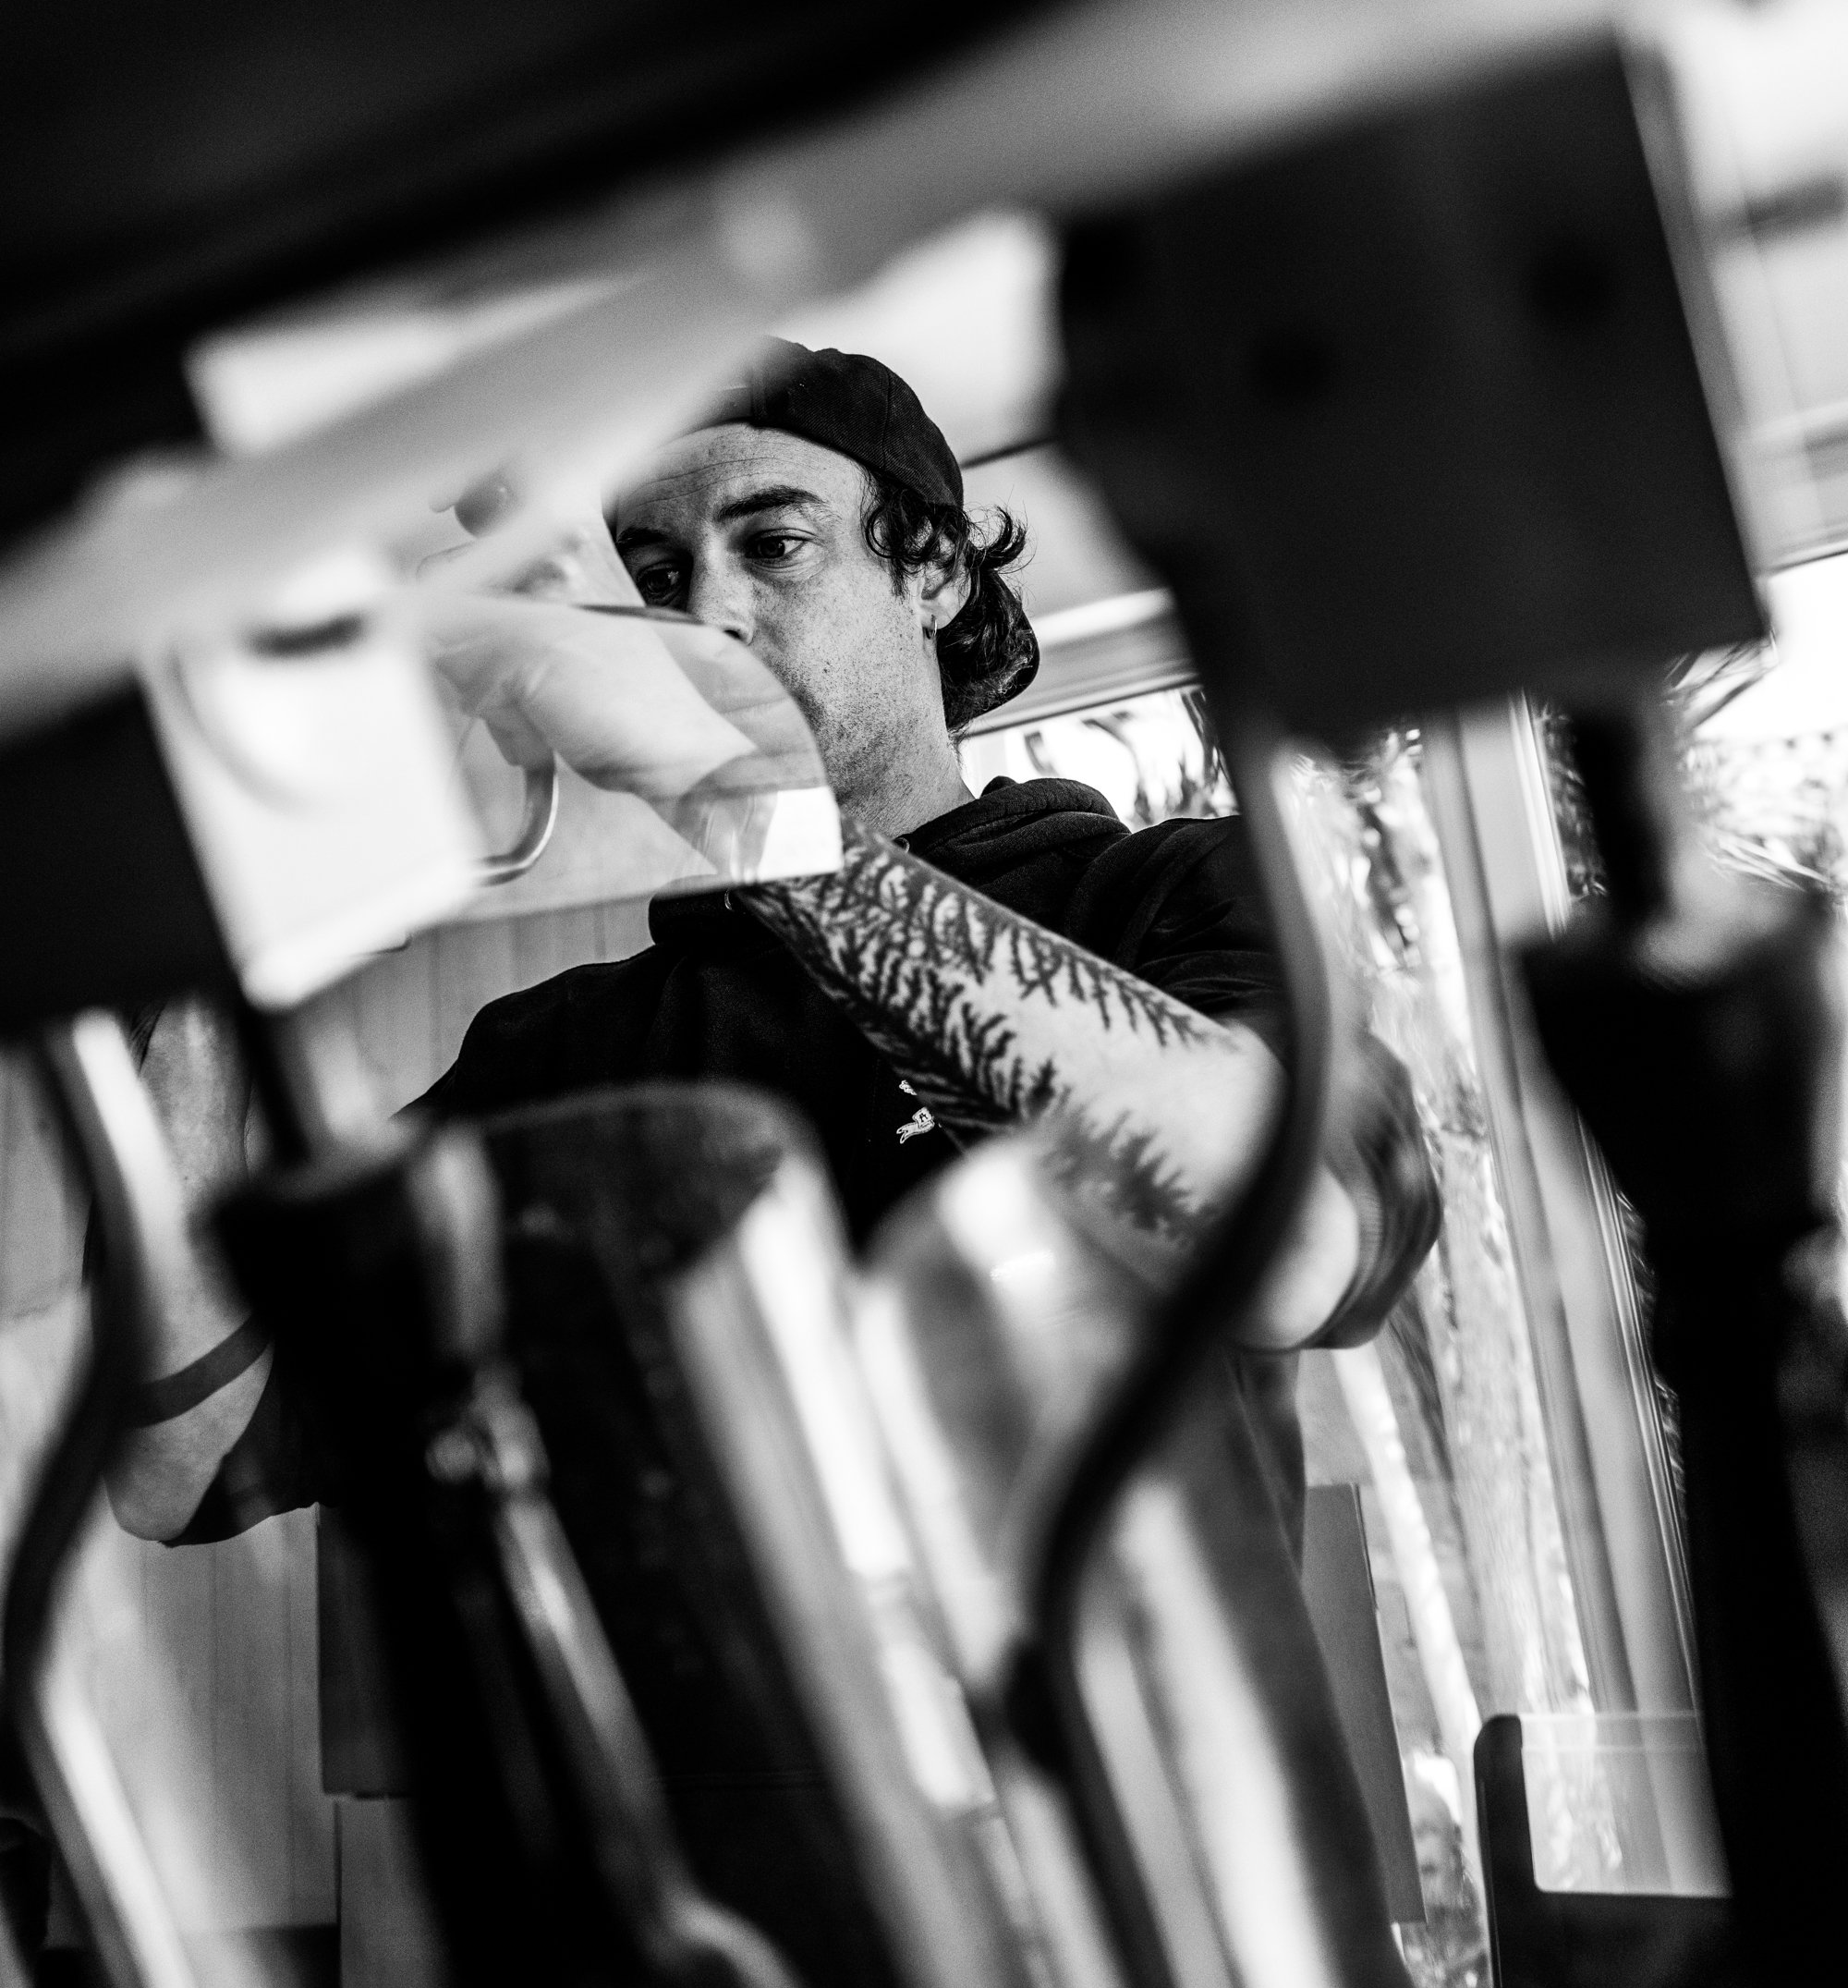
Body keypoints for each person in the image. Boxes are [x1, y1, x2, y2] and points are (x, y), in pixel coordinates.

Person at [112, 338, 1439, 1554]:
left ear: (933, 571)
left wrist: (739, 795)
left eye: (777, 544)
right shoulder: (560, 1053)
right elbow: (182, 1463)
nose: (711, 617)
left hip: (1127, 1736)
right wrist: (219, 925)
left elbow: (1284, 1245)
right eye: (656, 580)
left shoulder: (1169, 896)